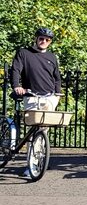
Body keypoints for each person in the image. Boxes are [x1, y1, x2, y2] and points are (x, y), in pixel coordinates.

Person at [10, 27, 62, 176]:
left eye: (47, 40)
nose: (43, 41)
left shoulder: (52, 57)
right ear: (36, 38)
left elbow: (56, 77)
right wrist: (17, 86)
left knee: (43, 131)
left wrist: (57, 94)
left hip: (49, 97)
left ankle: (39, 162)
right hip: (32, 96)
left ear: (50, 42)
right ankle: (31, 165)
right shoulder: (24, 53)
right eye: (41, 38)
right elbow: (15, 70)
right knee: (33, 131)